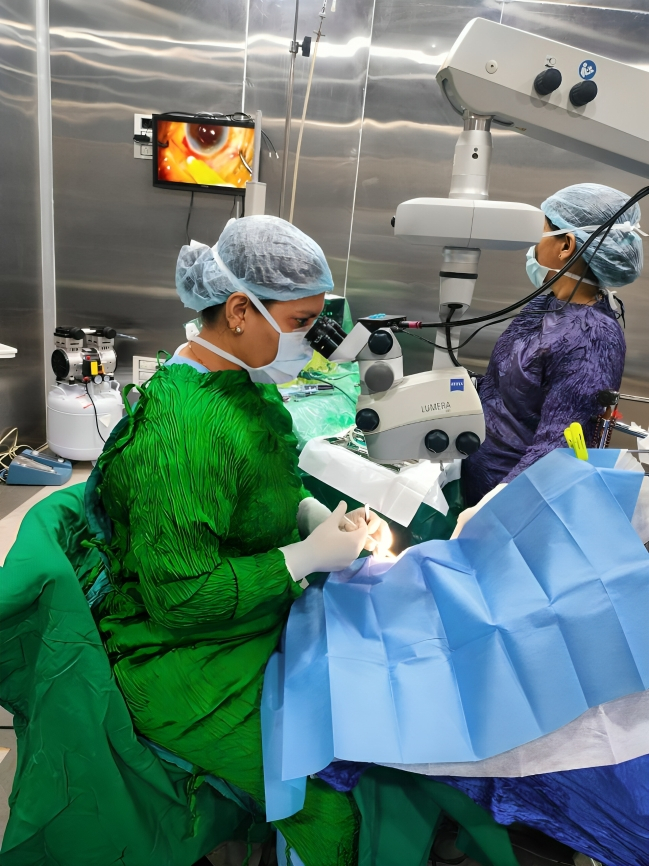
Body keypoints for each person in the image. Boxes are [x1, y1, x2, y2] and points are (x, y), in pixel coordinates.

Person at [89, 215, 390, 865]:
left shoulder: (242, 386)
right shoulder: (185, 428)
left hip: (250, 622)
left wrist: (309, 515)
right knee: (328, 800)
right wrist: (305, 557)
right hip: (182, 661)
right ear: (238, 311)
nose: (314, 343)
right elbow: (181, 598)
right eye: (302, 322)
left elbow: (260, 483)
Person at [458, 182, 643, 524]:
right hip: (479, 483)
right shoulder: (546, 304)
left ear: (566, 245)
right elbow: (515, 384)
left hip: (516, 513)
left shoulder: (593, 336)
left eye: (542, 232)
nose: (534, 245)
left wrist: (494, 507)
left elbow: (557, 447)